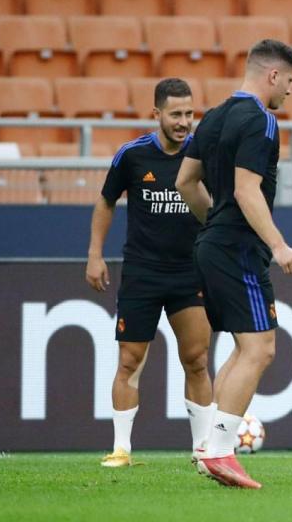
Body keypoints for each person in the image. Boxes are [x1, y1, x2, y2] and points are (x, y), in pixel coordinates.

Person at [176, 39, 292, 490]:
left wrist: (214, 221)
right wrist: (278, 245)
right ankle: (221, 452)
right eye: (289, 80)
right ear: (273, 75)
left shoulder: (211, 118)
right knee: (260, 348)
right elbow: (248, 190)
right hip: (238, 248)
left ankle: (210, 447)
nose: (290, 90)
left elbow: (185, 181)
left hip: (212, 243)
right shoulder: (262, 120)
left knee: (244, 346)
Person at [86, 78, 213, 468]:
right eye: (176, 114)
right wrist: (95, 254)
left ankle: (203, 451)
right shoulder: (132, 155)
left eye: (189, 113)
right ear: (156, 113)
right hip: (142, 273)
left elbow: (218, 208)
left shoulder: (204, 155)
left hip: (189, 273)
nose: (184, 121)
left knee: (196, 359)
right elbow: (106, 202)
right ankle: (121, 449)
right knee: (129, 360)